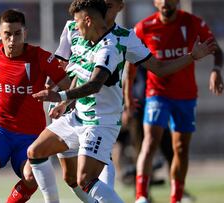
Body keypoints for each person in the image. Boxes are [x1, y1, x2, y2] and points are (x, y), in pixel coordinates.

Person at [26, 0, 217, 202]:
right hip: (77, 114)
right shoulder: (75, 28)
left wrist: (191, 57)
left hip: (101, 121)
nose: (107, 7)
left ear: (119, 7)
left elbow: (153, 69)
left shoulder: (118, 40)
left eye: (111, 3)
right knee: (37, 153)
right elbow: (72, 68)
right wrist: (61, 97)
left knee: (86, 178)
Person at [0, 9, 70, 203]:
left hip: (31, 135)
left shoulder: (40, 57)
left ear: (25, 33)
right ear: (0, 35)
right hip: (1, 129)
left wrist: (64, 102)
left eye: (17, 34)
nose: (12, 40)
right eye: (7, 34)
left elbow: (68, 84)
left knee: (32, 178)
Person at [127, 1, 224, 203]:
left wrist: (216, 70)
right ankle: (141, 196)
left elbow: (216, 49)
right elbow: (130, 62)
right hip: (156, 94)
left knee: (180, 148)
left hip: (186, 96)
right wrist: (128, 94)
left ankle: (176, 197)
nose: (165, 3)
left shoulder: (192, 23)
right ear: (155, 2)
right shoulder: (143, 27)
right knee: (150, 141)